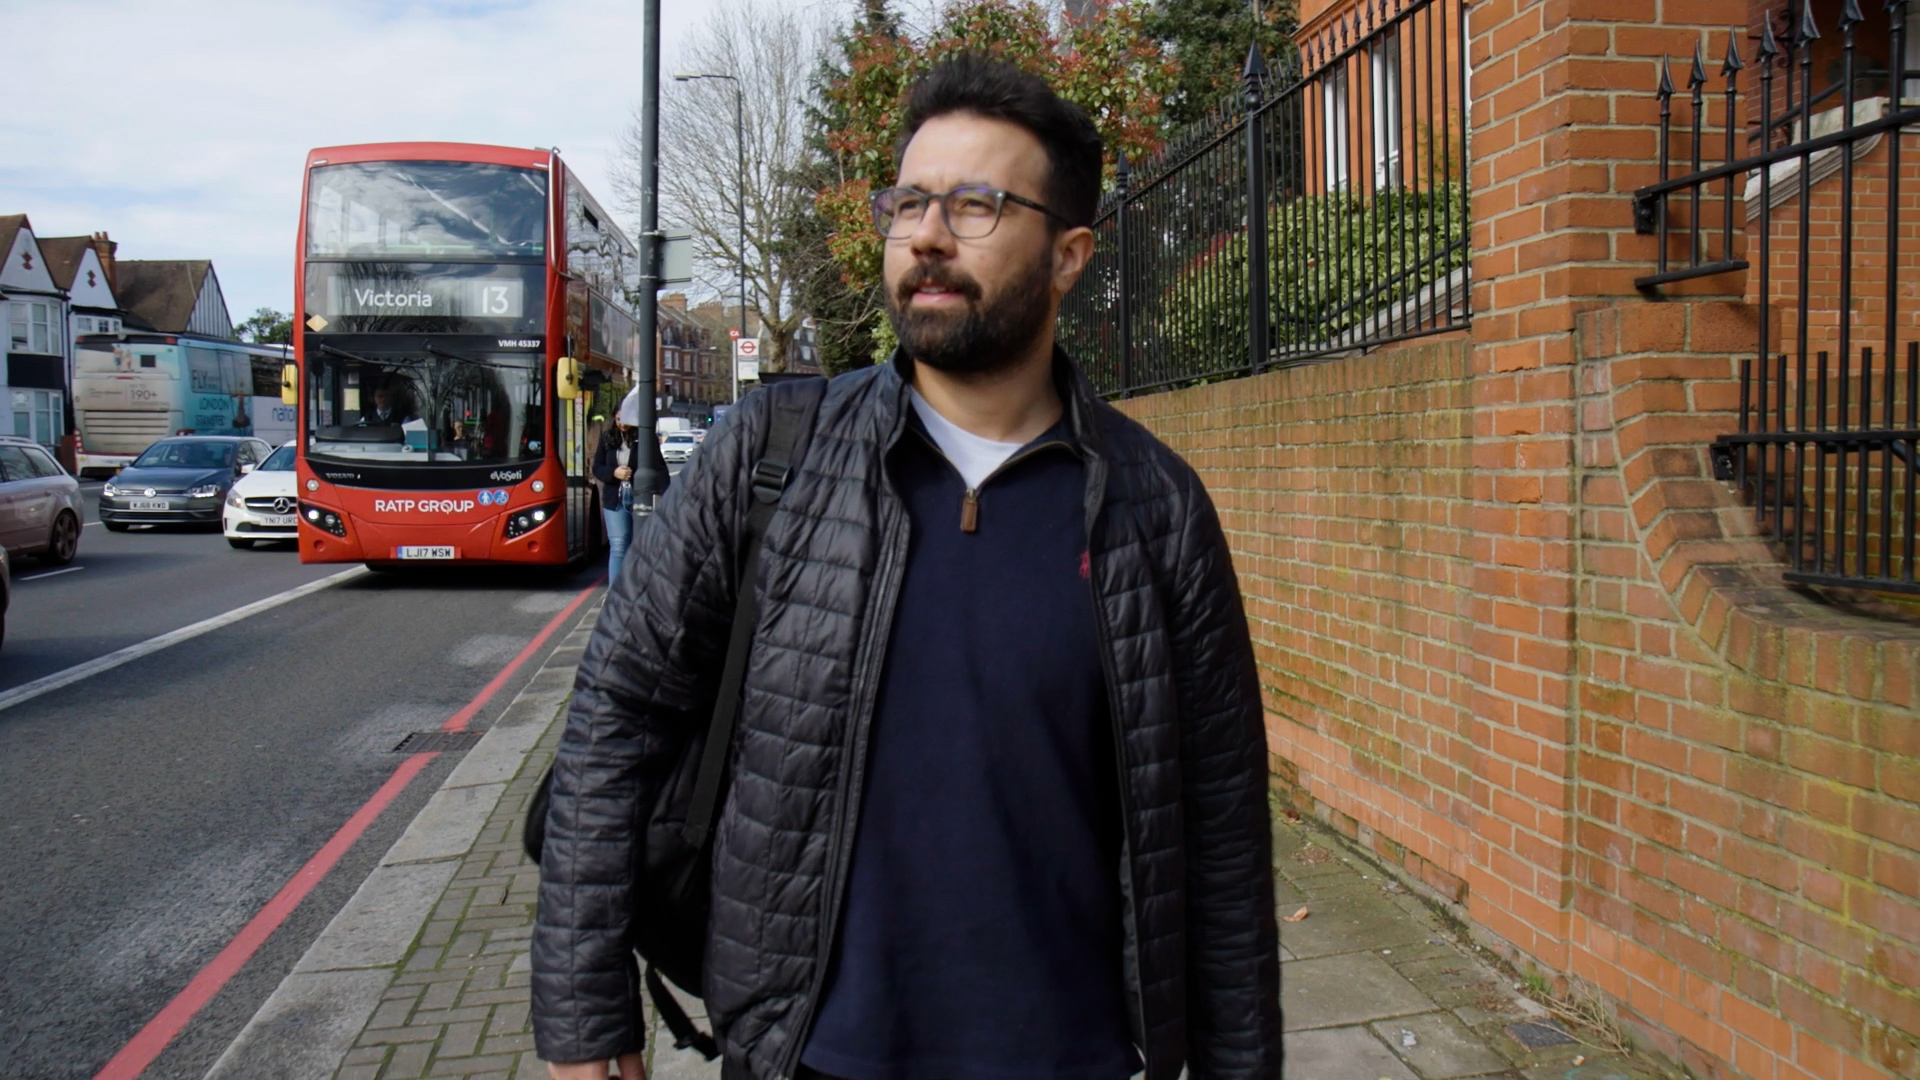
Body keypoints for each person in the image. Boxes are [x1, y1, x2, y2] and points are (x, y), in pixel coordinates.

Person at [533, 55, 1281, 1080]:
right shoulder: (771, 457)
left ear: (1068, 258)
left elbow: (1223, 840)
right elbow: (614, 717)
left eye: (976, 204)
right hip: (809, 1056)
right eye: (911, 200)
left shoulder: (1159, 510)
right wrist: (585, 1006)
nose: (926, 232)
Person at [592, 391, 641, 580]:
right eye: (619, 418)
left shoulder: (643, 438)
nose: (622, 423)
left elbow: (658, 468)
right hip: (615, 498)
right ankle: (614, 598)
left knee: (636, 547)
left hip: (638, 497)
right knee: (619, 545)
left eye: (626, 419)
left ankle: (631, 592)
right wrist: (614, 473)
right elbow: (597, 468)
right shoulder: (606, 438)